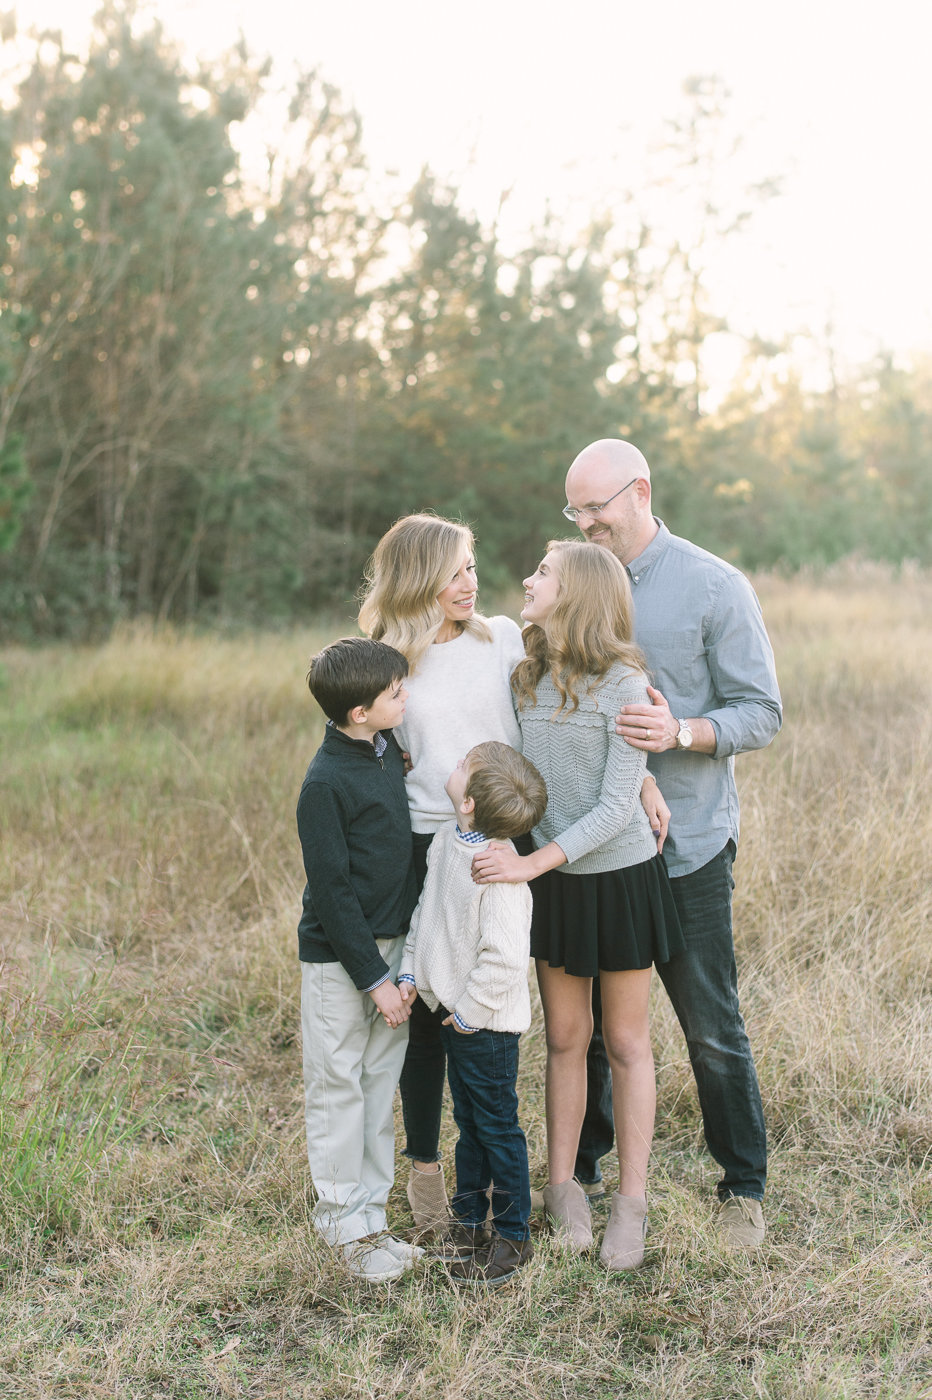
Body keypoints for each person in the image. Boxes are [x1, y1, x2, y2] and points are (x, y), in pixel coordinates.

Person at [563, 438, 783, 1248]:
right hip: (594, 849)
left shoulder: (714, 586)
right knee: (586, 1030)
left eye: (597, 507)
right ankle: (583, 1175)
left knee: (710, 1023)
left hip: (687, 847)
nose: (587, 523)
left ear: (640, 491)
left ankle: (743, 1190)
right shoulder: (578, 580)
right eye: (575, 511)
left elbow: (761, 710)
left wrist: (682, 730)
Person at [473, 541, 685, 1271]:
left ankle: (631, 1201)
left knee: (625, 1043)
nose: (527, 580)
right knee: (564, 1037)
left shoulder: (626, 684)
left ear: (579, 594)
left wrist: (533, 860)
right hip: (556, 881)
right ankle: (564, 1188)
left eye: (543, 574)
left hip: (616, 876)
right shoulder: (526, 675)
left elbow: (611, 806)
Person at [358, 514, 527, 1234]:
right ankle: (426, 1166)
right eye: (454, 570)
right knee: (427, 1016)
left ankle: (497, 1180)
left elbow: (555, 716)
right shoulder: (385, 659)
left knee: (488, 1006)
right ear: (419, 577)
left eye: (472, 566)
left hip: (500, 841)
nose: (470, 582)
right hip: (422, 843)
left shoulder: (503, 640)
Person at [398, 741, 548, 1287]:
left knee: (496, 1128)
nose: (453, 765)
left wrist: (468, 1012)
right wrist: (412, 969)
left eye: (462, 765)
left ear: (468, 802)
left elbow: (505, 960)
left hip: (484, 1027)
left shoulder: (498, 872)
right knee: (469, 1126)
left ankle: (513, 1235)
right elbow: (427, 915)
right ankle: (468, 1223)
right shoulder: (445, 843)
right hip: (452, 1017)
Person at [296, 636, 422, 1283]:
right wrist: (373, 981)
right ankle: (344, 1231)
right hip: (340, 963)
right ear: (359, 713)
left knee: (377, 1088)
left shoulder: (387, 754)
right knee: (339, 1088)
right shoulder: (324, 784)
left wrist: (402, 963)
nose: (407, 697)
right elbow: (333, 893)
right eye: (396, 692)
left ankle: (372, 1223)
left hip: (392, 948)